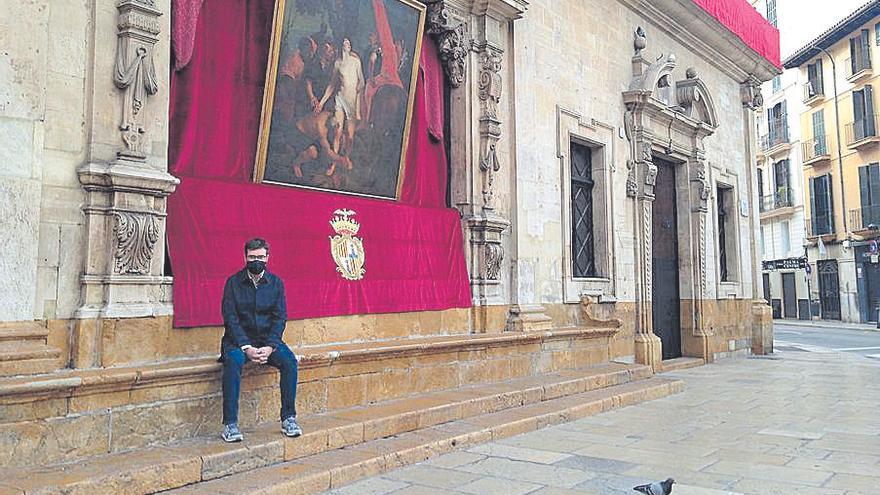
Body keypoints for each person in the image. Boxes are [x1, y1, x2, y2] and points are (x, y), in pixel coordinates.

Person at [219, 238, 301, 442]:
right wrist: (246, 346)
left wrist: (271, 346)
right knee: (233, 361)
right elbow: (230, 318)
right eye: (252, 257)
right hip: (237, 341)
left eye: (260, 257)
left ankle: (289, 418)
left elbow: (280, 317)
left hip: (267, 341)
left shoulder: (276, 284)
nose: (256, 260)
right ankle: (230, 424)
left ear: (267, 258)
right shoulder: (233, 283)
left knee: (290, 361)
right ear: (245, 257)